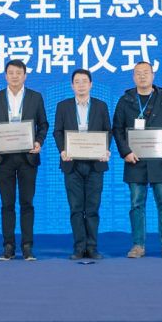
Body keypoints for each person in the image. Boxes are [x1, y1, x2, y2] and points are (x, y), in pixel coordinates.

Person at [112, 61, 162, 259]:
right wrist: (125, 152)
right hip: (135, 161)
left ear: (153, 75)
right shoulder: (125, 100)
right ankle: (138, 245)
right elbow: (117, 129)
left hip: (161, 161)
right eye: (138, 73)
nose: (142, 76)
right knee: (136, 204)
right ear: (133, 77)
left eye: (146, 72)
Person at [0, 59, 49, 261]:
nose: (14, 76)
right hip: (3, 158)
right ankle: (8, 246)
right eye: (11, 72)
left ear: (25, 76)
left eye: (18, 73)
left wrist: (38, 142)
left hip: (27, 157)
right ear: (5, 75)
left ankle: (27, 246)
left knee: (27, 203)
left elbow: (43, 124)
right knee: (7, 204)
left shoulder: (35, 97)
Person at [53, 69, 112, 260]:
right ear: (72, 86)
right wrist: (62, 150)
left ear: (91, 84)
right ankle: (79, 247)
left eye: (84, 81)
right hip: (72, 164)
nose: (81, 85)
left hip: (95, 164)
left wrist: (105, 149)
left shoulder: (101, 106)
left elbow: (107, 131)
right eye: (77, 82)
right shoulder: (63, 106)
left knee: (93, 208)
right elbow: (57, 131)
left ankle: (92, 247)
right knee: (76, 208)